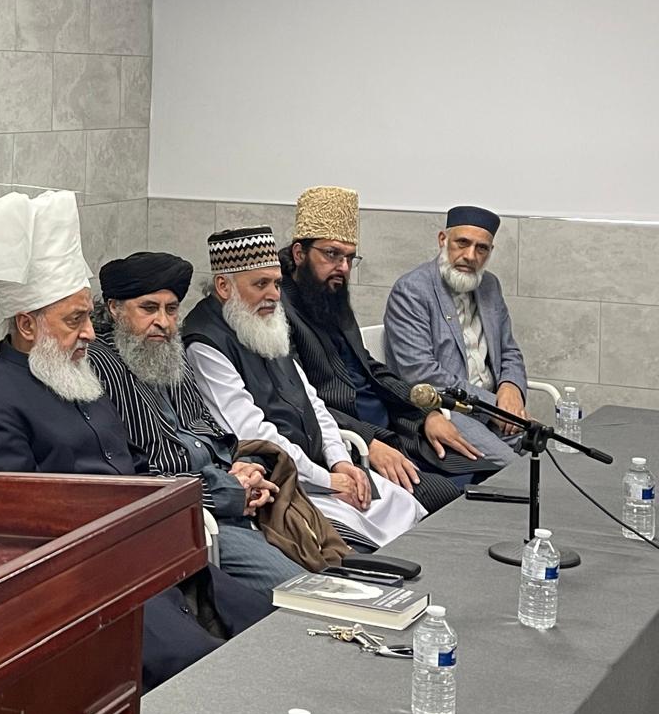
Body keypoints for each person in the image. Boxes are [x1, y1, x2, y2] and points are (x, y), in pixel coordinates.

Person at [0, 191, 273, 690]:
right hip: (84, 584)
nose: (88, 333)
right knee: (204, 672)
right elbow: (19, 533)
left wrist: (203, 498)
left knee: (267, 623)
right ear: (27, 324)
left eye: (86, 317)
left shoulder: (78, 379)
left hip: (147, 553)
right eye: (73, 320)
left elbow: (134, 471)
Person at [184, 227, 427, 549]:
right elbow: (251, 433)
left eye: (276, 283)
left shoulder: (264, 319)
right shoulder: (204, 342)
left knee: (406, 508)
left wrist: (340, 461)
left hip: (320, 469)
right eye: (260, 284)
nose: (274, 295)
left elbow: (313, 402)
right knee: (360, 543)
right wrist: (327, 480)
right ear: (224, 286)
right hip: (281, 483)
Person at [90, 252, 309, 592]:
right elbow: (136, 478)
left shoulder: (169, 351)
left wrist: (245, 468)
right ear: (115, 308)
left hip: (233, 500)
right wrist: (228, 491)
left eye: (171, 309)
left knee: (328, 568)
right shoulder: (100, 366)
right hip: (184, 519)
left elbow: (209, 429)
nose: (163, 322)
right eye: (149, 308)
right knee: (295, 590)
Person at [282, 186, 511, 493]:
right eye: (332, 254)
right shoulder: (281, 312)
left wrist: (426, 414)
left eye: (349, 258)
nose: (343, 268)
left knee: (485, 475)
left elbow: (371, 370)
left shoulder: (330, 295)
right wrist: (369, 440)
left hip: (396, 425)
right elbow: (299, 400)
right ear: (300, 254)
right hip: (352, 440)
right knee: (454, 494)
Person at [384, 205, 530, 442]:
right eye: (462, 243)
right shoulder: (412, 290)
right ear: (443, 240)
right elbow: (421, 373)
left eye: (481, 248)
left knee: (548, 451)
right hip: (447, 412)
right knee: (514, 464)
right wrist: (495, 406)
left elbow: (509, 350)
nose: (471, 256)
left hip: (496, 411)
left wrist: (511, 387)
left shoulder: (490, 286)